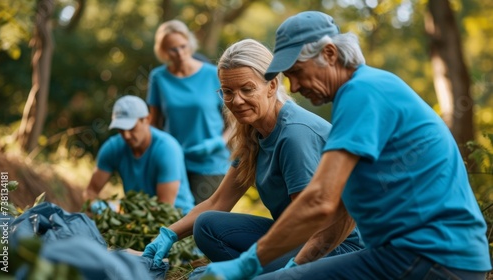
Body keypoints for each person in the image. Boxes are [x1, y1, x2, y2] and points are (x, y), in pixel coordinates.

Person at [200, 11, 492, 280]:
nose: (295, 86)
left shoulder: (363, 93)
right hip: (422, 257)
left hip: (430, 258)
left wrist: (250, 262)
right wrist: (298, 265)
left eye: (297, 72)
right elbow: (340, 213)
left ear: (329, 54)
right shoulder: (362, 91)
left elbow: (318, 201)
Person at [142, 39, 364, 274]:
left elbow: (309, 223)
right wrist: (167, 234)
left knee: (250, 268)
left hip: (336, 247)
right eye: (227, 92)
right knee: (207, 226)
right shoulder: (253, 132)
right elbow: (218, 202)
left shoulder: (294, 135)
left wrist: (246, 268)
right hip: (293, 235)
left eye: (247, 89)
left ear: (271, 86)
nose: (236, 101)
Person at [146, 19, 231, 204]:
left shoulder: (213, 74)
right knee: (174, 221)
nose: (180, 53)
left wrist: (217, 143)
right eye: (172, 49)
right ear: (163, 51)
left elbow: (235, 121)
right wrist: (159, 155)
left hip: (212, 163)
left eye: (183, 46)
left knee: (203, 223)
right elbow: (153, 124)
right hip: (174, 162)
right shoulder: (159, 78)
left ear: (190, 43)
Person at [84, 95, 194, 215]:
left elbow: (164, 208)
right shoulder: (113, 148)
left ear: (146, 119)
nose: (126, 135)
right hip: (136, 217)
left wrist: (121, 214)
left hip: (177, 219)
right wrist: (99, 208)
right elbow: (90, 193)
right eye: (120, 129)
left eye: (131, 128)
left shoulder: (167, 149)